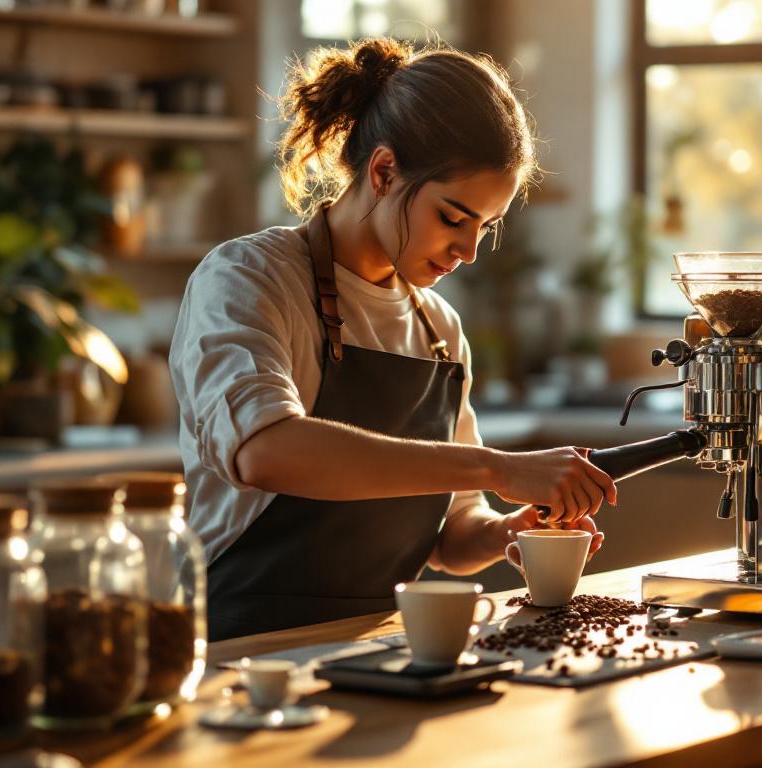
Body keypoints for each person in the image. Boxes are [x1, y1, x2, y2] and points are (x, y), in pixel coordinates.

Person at [170, 37, 617, 641]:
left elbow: (454, 536)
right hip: (242, 648)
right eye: (452, 218)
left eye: (485, 227)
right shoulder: (250, 278)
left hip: (377, 647)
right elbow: (267, 450)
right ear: (383, 172)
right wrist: (498, 468)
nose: (468, 251)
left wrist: (514, 532)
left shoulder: (438, 327)